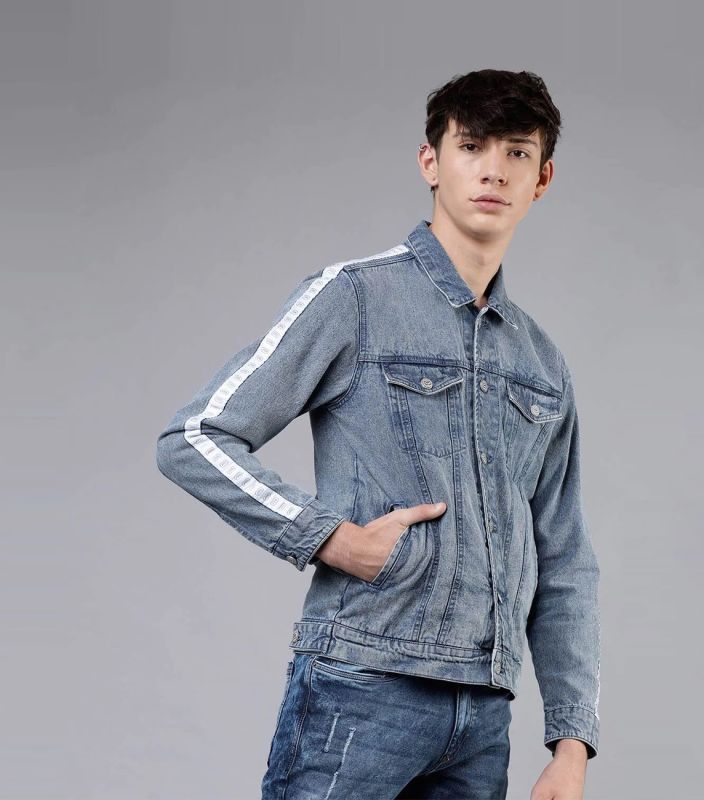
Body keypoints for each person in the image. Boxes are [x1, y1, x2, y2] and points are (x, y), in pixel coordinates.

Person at [156, 67, 601, 800]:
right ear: (431, 162)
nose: (494, 169)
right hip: (362, 682)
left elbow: (565, 557)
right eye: (472, 146)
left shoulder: (542, 362)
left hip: (484, 711)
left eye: (517, 153)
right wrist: (329, 538)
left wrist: (572, 743)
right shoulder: (355, 296)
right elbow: (194, 437)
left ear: (542, 178)